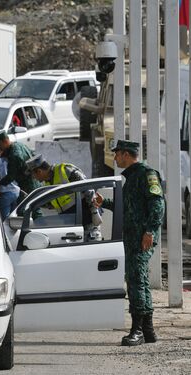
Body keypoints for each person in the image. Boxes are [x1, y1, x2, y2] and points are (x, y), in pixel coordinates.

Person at [94, 140, 165, 347]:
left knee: (135, 281)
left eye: (117, 154)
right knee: (140, 280)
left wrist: (150, 231)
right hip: (133, 237)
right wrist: (104, 203)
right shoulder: (132, 177)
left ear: (126, 154)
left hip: (142, 238)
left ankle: (138, 330)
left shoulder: (146, 174)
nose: (115, 158)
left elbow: (157, 204)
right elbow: (127, 207)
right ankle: (148, 330)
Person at [26, 154, 102, 240]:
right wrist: (35, 202)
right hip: (73, 225)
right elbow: (52, 204)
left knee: (92, 249)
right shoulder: (48, 183)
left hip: (88, 222)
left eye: (33, 175)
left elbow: (87, 188)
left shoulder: (65, 170)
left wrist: (94, 211)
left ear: (39, 171)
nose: (34, 178)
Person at [0, 130, 41, 197]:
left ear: (5, 141)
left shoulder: (14, 155)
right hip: (35, 182)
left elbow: (11, 177)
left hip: (28, 186)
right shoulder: (19, 145)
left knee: (27, 205)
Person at [0, 155, 20, 221]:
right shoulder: (13, 160)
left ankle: (4, 231)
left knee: (5, 220)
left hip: (5, 193)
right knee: (14, 219)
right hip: (16, 192)